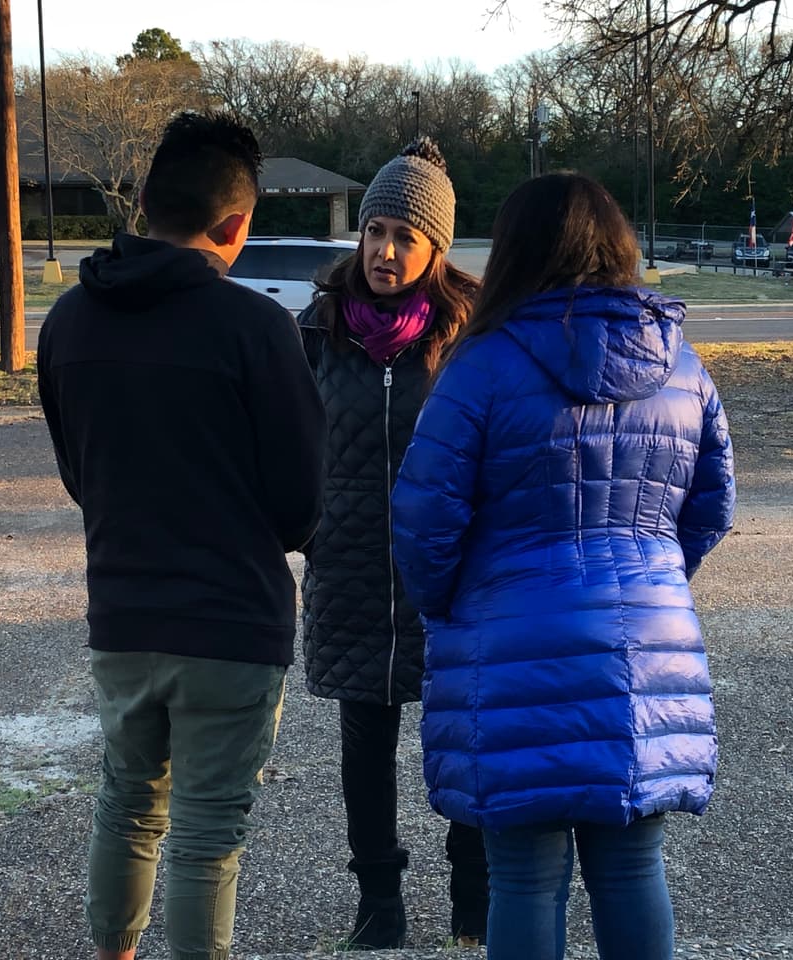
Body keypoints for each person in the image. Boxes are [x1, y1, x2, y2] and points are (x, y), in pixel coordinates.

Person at [391, 171, 736, 959]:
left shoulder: (482, 365)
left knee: (523, 877)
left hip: (511, 643)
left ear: (513, 252)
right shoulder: (681, 365)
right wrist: (654, 579)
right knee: (631, 865)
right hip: (646, 650)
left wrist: (455, 603)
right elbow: (713, 504)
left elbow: (421, 514)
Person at [37, 110, 326, 960]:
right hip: (232, 619)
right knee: (206, 830)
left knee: (126, 803)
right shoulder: (255, 329)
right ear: (236, 224)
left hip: (123, 608)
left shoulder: (69, 322)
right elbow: (299, 502)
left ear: (147, 203)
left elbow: (76, 475)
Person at [297, 137, 489, 949]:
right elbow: (288, 441)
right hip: (345, 569)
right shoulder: (317, 328)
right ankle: (378, 902)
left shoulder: (471, 332)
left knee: (463, 744)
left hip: (447, 576)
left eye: (405, 236)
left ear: (436, 247)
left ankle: (473, 901)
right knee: (364, 752)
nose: (384, 250)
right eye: (375, 231)